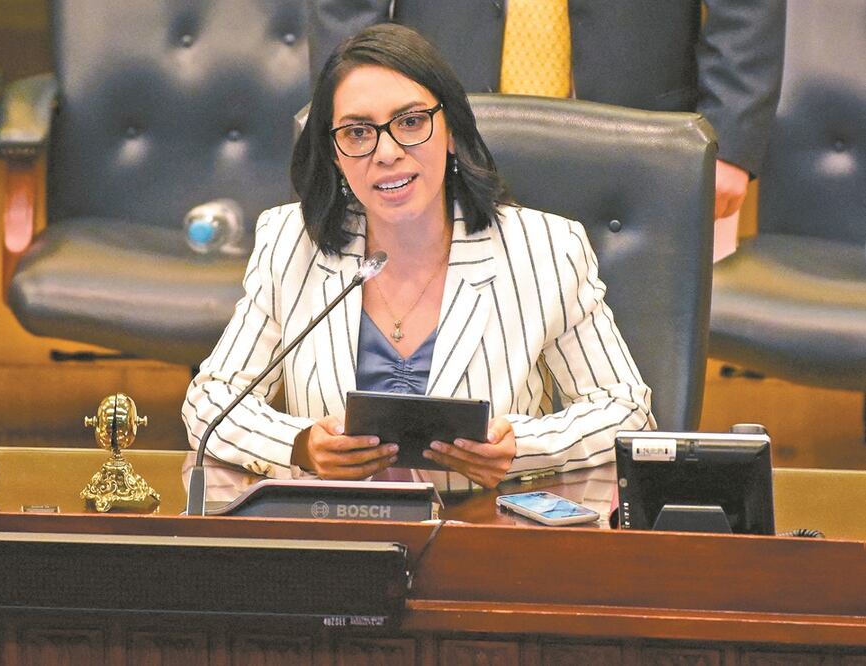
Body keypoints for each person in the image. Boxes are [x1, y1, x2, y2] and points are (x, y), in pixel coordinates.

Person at [183, 24, 655, 490]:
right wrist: (299, 445)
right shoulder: (291, 241)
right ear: (333, 152)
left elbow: (625, 410)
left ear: (451, 130)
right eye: (357, 132)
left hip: (480, 533)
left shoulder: (548, 249)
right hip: (334, 533)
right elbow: (210, 401)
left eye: (410, 122)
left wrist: (522, 449)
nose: (386, 152)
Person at [307, 0, 786, 221]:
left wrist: (729, 135)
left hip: (639, 134)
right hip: (435, 126)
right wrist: (356, 124)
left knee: (630, 379)